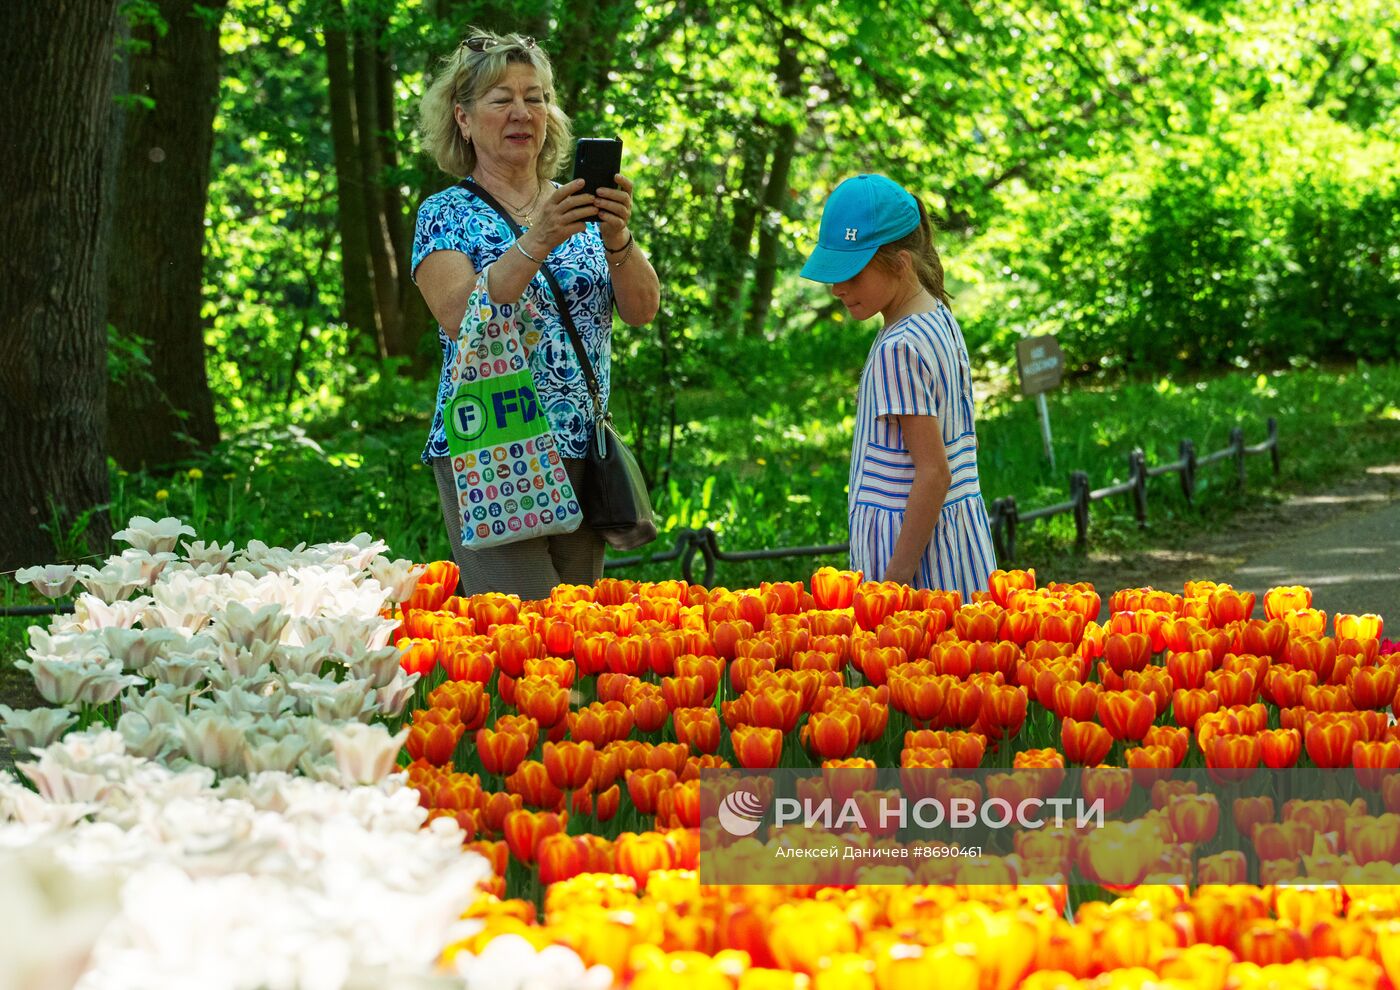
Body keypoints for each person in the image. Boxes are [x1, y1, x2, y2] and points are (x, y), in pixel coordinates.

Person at [412, 29, 660, 599]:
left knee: (575, 633)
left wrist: (617, 235)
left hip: (579, 445)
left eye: (536, 96)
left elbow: (642, 309)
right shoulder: (445, 213)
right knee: (524, 632)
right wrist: (540, 237)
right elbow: (459, 317)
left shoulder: (579, 206)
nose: (522, 112)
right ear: (464, 119)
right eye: (501, 99)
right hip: (492, 446)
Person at [800, 173, 996, 599]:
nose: (837, 289)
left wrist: (894, 585)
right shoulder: (937, 316)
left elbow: (933, 473)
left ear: (901, 263)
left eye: (851, 273)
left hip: (918, 576)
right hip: (958, 551)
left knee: (919, 667)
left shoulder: (899, 347)